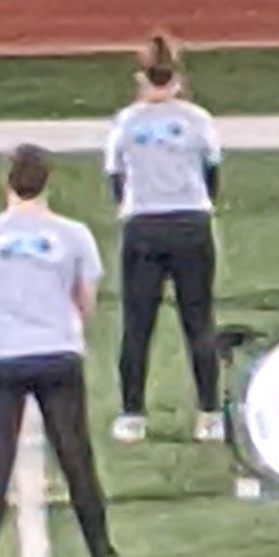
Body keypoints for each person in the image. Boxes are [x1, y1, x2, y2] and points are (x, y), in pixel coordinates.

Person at [0, 147, 131, 557]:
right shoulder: (73, 235)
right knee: (75, 458)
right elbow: (86, 303)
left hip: (0, 356)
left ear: (5, 182)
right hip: (57, 353)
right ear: (48, 182)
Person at [105, 36, 227, 447]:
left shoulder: (126, 122)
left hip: (144, 226)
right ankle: (209, 415)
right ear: (177, 78)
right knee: (199, 322)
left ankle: (132, 415)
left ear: (141, 78)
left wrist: (137, 205)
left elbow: (116, 178)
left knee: (137, 325)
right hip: (191, 224)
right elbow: (212, 172)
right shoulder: (198, 119)